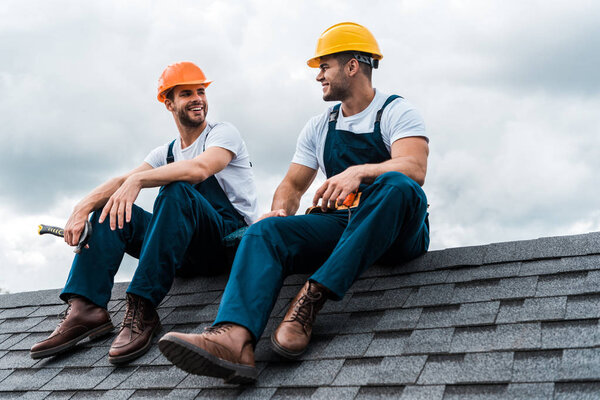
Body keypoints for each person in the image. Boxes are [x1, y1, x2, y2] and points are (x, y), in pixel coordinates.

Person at [158, 22, 430, 383]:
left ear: (352, 66)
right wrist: (281, 211)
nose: (318, 76)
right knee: (266, 230)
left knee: (396, 184)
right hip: (344, 225)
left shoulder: (396, 111)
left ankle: (311, 297)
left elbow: (414, 167)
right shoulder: (319, 126)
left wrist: (360, 172)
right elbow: (291, 185)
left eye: (324, 66)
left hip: (396, 230)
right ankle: (233, 340)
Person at [30, 61, 259, 365]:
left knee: (176, 189)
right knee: (109, 206)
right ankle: (87, 308)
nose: (198, 99)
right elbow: (117, 183)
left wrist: (138, 181)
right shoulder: (165, 153)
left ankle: (142, 308)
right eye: (186, 93)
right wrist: (82, 207)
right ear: (168, 103)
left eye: (201, 91)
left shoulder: (222, 134)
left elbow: (200, 168)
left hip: (226, 242)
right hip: (183, 252)